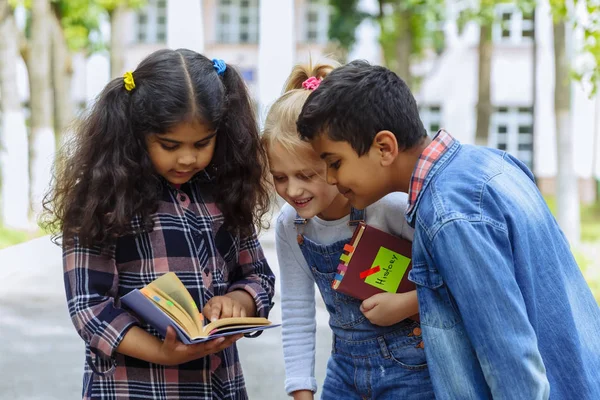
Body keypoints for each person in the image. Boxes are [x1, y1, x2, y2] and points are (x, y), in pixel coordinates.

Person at [296, 59, 600, 399]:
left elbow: (510, 359)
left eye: (335, 163)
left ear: (384, 147)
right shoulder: (490, 163)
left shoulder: (447, 214)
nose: (332, 179)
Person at [42, 49, 275, 400]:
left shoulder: (225, 191)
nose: (187, 157)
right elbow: (89, 307)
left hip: (219, 387)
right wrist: (160, 351)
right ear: (136, 133)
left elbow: (257, 276)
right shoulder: (103, 199)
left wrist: (237, 302)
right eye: (169, 145)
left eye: (202, 143)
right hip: (133, 389)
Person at [263, 63, 434, 400]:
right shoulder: (291, 225)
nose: (293, 191)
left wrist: (403, 305)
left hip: (411, 371)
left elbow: (450, 280)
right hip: (344, 371)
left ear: (332, 163)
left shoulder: (386, 207)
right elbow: (297, 312)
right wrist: (301, 389)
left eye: (306, 175)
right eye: (280, 177)